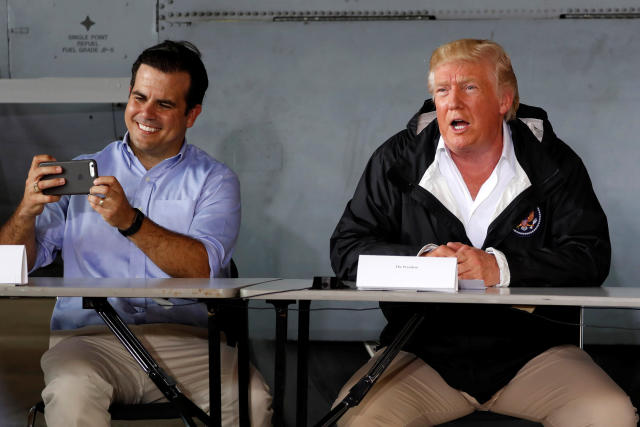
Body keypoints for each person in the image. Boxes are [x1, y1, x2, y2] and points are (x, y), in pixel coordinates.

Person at [330, 39, 637, 426]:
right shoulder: (398, 160)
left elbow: (590, 256)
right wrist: (421, 261)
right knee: (358, 419)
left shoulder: (553, 162)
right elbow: (347, 249)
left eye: (469, 87)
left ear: (504, 101)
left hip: (533, 354)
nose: (453, 102)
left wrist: (501, 269)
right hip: (423, 354)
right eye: (442, 90)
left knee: (610, 414)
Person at [0, 40, 272, 427]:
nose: (146, 113)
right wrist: (26, 211)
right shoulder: (82, 169)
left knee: (251, 401)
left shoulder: (215, 181)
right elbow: (9, 268)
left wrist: (130, 220)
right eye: (139, 97)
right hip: (89, 340)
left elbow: (205, 267)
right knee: (71, 392)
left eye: (164, 104)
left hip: (188, 342)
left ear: (192, 114)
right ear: (128, 96)